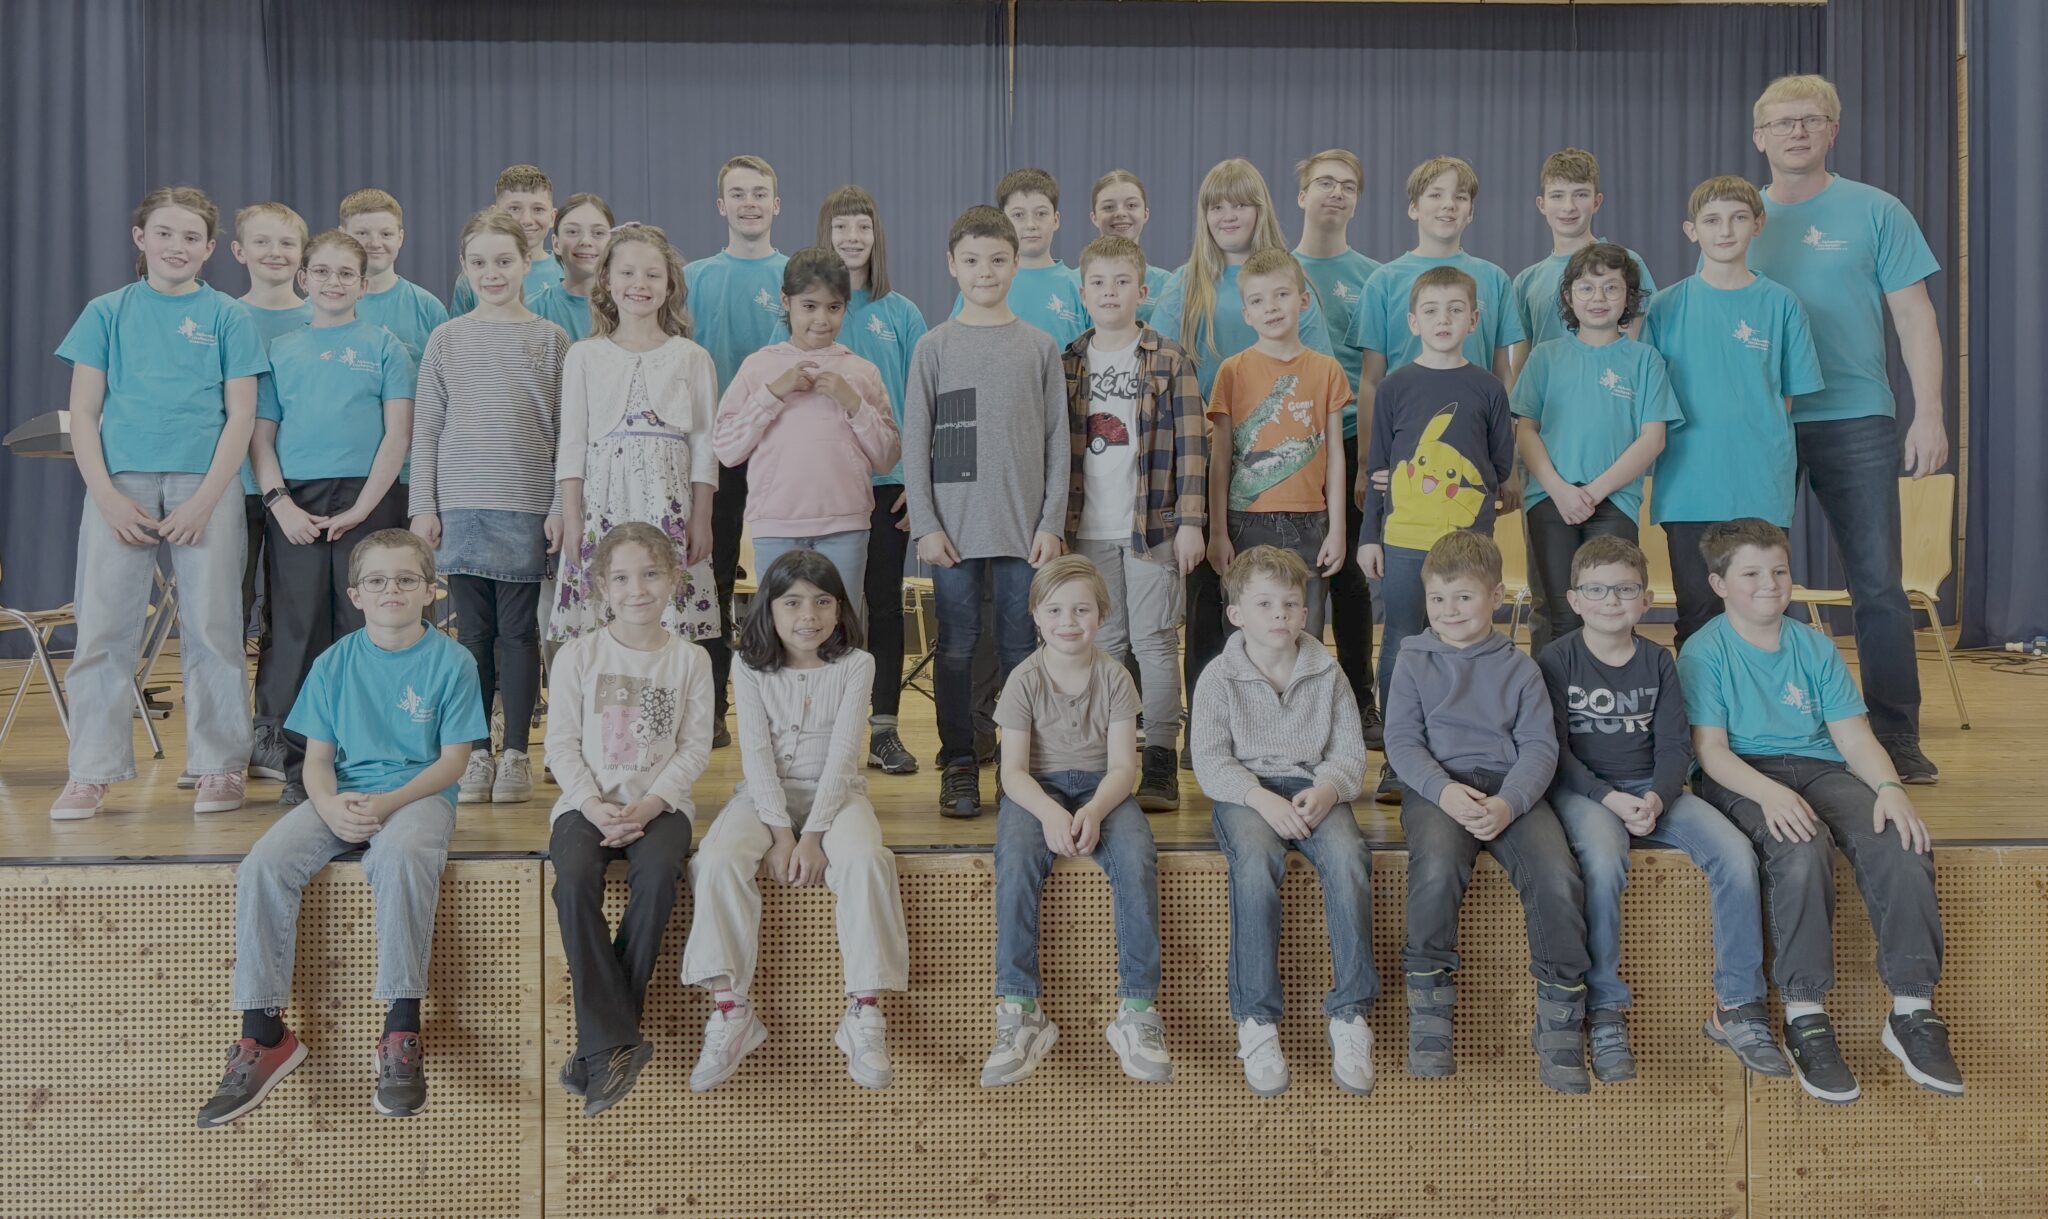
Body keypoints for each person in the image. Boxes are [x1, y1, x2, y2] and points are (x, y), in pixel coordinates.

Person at [195, 529, 483, 1127]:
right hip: (344, 793)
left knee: (400, 857)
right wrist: (327, 806)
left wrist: (389, 803)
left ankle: (400, 1028)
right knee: (264, 864)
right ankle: (263, 1032)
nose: (391, 589)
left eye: (406, 579)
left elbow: (453, 762)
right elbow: (318, 761)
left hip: (419, 793)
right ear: (356, 595)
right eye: (376, 580)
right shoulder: (334, 662)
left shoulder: (454, 662)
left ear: (430, 590)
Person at [1681, 518, 1962, 1104]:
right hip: (1742, 773)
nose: (1769, 583)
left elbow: (1853, 736)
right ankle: (1804, 1013)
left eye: (1779, 571)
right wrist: (1768, 792)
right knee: (1801, 849)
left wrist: (1889, 787)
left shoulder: (1812, 645)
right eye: (1751, 574)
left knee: (1901, 837)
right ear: (1719, 584)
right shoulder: (1704, 651)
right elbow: (1710, 751)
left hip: (1819, 767)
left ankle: (1911, 1008)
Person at [1746, 73, 1949, 784]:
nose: (1797, 131)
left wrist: (1929, 412)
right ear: (1760, 136)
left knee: (1879, 587)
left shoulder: (1877, 210)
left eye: (1812, 119)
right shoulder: (1740, 219)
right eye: (1784, 121)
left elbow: (1915, 317)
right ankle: (1759, 731)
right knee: (1749, 582)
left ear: (1833, 131)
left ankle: (1896, 737)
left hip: (1857, 417)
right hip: (1765, 423)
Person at [49, 186, 267, 820]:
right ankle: (90, 771)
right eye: (165, 233)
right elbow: (83, 413)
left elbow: (241, 416)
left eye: (191, 237)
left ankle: (219, 764)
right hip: (122, 485)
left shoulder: (228, 316)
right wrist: (107, 497)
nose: (178, 246)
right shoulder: (106, 312)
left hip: (206, 484)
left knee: (215, 628)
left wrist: (206, 499)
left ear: (210, 248)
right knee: (103, 628)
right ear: (140, 238)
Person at [1537, 535, 1788, 1084]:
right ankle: (1605, 1010)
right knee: (1603, 860)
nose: (1611, 600)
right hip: (1586, 793)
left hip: (1653, 790)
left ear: (1647, 600)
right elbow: (1553, 751)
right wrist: (1609, 798)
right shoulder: (1555, 660)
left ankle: (1738, 1003)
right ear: (1574, 600)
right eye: (1596, 590)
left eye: (1625, 589)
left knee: (1736, 854)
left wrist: (1656, 796)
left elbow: (1676, 746)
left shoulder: (1658, 661)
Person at [680, 550, 910, 1091]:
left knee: (866, 859)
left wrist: (813, 836)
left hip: (837, 795)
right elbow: (756, 755)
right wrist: (781, 834)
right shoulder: (748, 666)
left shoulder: (857, 664)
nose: (809, 615)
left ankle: (864, 1010)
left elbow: (842, 757)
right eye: (793, 602)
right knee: (716, 858)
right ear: (769, 608)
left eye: (823, 601)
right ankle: (732, 1010)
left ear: (840, 608)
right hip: (764, 796)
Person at [1382, 531, 1590, 1095]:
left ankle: (1559, 1015)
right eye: (1438, 598)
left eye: (1464, 597)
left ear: (1496, 595)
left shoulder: (1521, 669)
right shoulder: (1412, 660)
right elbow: (1401, 741)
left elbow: (1540, 748)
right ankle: (1429, 1006)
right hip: (1438, 790)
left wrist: (1508, 803)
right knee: (1435, 868)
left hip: (1509, 790)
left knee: (1557, 874)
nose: (1449, 610)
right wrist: (1443, 791)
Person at [1149, 158, 1338, 767]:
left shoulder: (1292, 279)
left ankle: (1289, 734)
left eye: (1241, 204)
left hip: (1284, 474)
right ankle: (1206, 734)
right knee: (1211, 603)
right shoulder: (1184, 285)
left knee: (1283, 607)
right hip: (1206, 463)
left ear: (1262, 210)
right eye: (1217, 206)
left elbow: (1318, 385)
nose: (1228, 215)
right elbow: (1155, 370)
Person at [903, 206, 1068, 819]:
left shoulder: (1039, 347)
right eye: (972, 261)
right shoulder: (934, 346)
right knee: (956, 647)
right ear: (952, 265)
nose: (985, 271)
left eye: (998, 260)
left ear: (1016, 263)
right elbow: (916, 441)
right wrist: (926, 525)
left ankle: (1019, 768)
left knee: (1023, 646)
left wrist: (1051, 522)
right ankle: (960, 761)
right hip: (953, 534)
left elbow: (1058, 442)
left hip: (1025, 531)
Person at [982, 555, 1170, 1087]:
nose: (1069, 621)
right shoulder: (1023, 679)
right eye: (1055, 610)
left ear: (1101, 615)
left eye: (1082, 610)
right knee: (1015, 859)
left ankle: (1137, 1009)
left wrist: (1092, 811)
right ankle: (1019, 1008)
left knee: (1136, 857)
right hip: (1036, 789)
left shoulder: (1114, 677)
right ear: (1036, 616)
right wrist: (1049, 812)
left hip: (1102, 788)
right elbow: (1012, 772)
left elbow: (1124, 769)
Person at [1191, 545, 1373, 1097]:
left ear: (1306, 611)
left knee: (1349, 859)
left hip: (1315, 788)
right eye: (1265, 604)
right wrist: (1259, 799)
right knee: (1254, 864)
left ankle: (1350, 1014)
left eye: (1291, 604)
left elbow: (1350, 754)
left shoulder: (1328, 671)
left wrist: (1329, 789)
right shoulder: (1218, 677)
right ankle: (1257, 1020)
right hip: (1246, 794)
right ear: (1236, 614)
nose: (1280, 615)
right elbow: (1210, 762)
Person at [545, 522, 713, 1117]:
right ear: (600, 587)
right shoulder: (578, 655)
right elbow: (560, 744)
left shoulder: (690, 659)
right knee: (573, 881)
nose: (636, 589)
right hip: (585, 804)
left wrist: (650, 804)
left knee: (660, 874)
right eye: (621, 578)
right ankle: (616, 1040)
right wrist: (593, 805)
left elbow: (694, 748)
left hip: (661, 805)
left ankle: (601, 1044)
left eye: (650, 574)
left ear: (674, 580)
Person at [409, 209, 571, 805]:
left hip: (525, 506)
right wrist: (422, 506)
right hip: (460, 507)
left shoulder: (551, 340)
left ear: (528, 263)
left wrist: (559, 506)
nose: (492, 272)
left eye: (504, 261)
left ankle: (518, 754)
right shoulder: (446, 339)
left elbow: (565, 434)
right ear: (464, 267)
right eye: (479, 262)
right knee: (472, 634)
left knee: (519, 634)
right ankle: (476, 752)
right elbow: (427, 429)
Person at [250, 230, 415, 807]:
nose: (333, 282)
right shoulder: (281, 351)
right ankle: (302, 768)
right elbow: (261, 437)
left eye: (346, 273)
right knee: (299, 629)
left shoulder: (387, 347)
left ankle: (367, 759)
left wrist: (363, 508)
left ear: (363, 285)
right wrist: (281, 504)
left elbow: (397, 434)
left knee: (363, 627)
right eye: (322, 271)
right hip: (295, 501)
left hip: (369, 499)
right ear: (304, 278)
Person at [1642, 176, 1823, 649]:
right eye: (1712, 220)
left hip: (1759, 485)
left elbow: (1785, 398)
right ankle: (1702, 702)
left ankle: (1757, 700)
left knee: (1760, 614)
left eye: (1738, 218)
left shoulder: (1782, 305)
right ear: (1691, 230)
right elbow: (1649, 400)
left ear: (1758, 224)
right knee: (1697, 615)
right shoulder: (1664, 308)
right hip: (1688, 488)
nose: (1725, 231)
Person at [1357, 267, 1516, 802]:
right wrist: (1370, 536)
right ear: (1413, 322)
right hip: (1403, 539)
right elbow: (1379, 469)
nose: (1443, 319)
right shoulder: (1394, 387)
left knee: (1466, 639)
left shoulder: (1488, 388)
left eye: (1454, 309)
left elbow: (1500, 464)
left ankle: (1463, 752)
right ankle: (1398, 760)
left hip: (1467, 544)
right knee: (1402, 639)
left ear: (1474, 319)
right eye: (1431, 310)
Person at [1062, 233, 1206, 810]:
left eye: (1122, 282)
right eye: (1098, 283)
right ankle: (1112, 753)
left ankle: (1161, 758)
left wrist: (1191, 521)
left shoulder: (1169, 359)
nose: (1110, 292)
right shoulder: (1069, 362)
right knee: (1107, 642)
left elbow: (1193, 445)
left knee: (1154, 641)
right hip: (1087, 527)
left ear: (1142, 291)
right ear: (1083, 294)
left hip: (1153, 526)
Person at [807, 186, 930, 776]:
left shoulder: (901, 313)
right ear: (824, 234)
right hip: (824, 481)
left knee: (883, 604)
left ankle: (883, 730)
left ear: (876, 235)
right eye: (841, 227)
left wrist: (918, 480)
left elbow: (924, 402)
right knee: (823, 606)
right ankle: (822, 732)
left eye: (862, 226)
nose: (852, 238)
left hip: (889, 481)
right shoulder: (811, 310)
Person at [553, 224, 722, 646]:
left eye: (652, 275)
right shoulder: (584, 356)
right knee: (605, 613)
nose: (639, 285)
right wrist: (572, 518)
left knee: (667, 612)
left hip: (669, 506)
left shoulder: (692, 358)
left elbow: (704, 445)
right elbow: (572, 445)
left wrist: (701, 518)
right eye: (627, 273)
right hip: (602, 506)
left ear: (670, 285)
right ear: (607, 280)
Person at [713, 247, 900, 624]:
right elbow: (727, 448)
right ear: (786, 301)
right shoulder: (759, 367)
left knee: (840, 632)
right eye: (809, 306)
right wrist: (772, 394)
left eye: (834, 307)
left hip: (846, 528)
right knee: (780, 634)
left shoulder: (861, 372)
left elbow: (887, 457)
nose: (821, 319)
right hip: (776, 528)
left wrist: (854, 403)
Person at [1511, 241, 1680, 655]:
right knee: (1560, 614)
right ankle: (1554, 697)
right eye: (1586, 288)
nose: (1598, 298)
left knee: (1609, 612)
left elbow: (1653, 438)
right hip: (1550, 500)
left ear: (1629, 297)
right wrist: (1561, 490)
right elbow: (1526, 431)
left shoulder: (1645, 360)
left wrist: (1594, 491)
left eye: (1611, 288)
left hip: (1615, 502)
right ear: (1569, 297)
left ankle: (1606, 690)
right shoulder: (1545, 357)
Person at [686, 155, 791, 749]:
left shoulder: (795, 275)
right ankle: (713, 709)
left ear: (776, 204)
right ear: (720, 205)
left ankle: (779, 706)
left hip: (780, 450)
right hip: (712, 452)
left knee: (782, 579)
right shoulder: (693, 277)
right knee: (712, 579)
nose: (749, 203)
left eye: (759, 193)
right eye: (737, 193)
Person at [1205, 249, 1349, 646]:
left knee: (1305, 635)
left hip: (1310, 522)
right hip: (1245, 522)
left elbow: (1335, 456)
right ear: (1246, 314)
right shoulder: (1231, 372)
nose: (1270, 307)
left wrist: (1337, 529)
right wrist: (1218, 532)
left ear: (1303, 301)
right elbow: (1220, 460)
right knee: (1244, 636)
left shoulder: (1327, 370)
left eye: (1281, 295)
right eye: (1257, 300)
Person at [1292, 148, 1383, 742]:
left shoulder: (1374, 276)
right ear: (1302, 196)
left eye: (1348, 185)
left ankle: (1358, 699)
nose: (1336, 193)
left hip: (1350, 438)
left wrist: (1368, 459)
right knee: (1294, 580)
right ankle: (1293, 703)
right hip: (1291, 444)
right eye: (1324, 183)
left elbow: (1378, 372)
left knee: (1349, 577)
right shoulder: (1279, 269)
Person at [231, 202, 315, 790]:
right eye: (262, 242)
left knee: (288, 615)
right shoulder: (223, 315)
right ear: (239, 251)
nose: (275, 254)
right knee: (228, 614)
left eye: (286, 243)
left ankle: (274, 731)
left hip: (299, 493)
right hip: (232, 488)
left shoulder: (321, 316)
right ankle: (221, 740)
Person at [1350, 156, 1525, 423]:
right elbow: (1371, 380)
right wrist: (1367, 450)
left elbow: (1502, 374)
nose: (1449, 205)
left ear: (1471, 213)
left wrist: (1507, 443)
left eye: (1460, 197)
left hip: (1476, 432)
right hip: (1405, 431)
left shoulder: (1495, 279)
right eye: (1435, 195)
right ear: (1414, 208)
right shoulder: (1383, 281)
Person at [1510, 148, 1657, 369]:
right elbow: (1522, 362)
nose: (1568, 207)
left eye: (1580, 194)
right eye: (1557, 195)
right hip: (1548, 390)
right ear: (1542, 204)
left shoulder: (1626, 263)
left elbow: (1640, 342)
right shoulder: (1526, 281)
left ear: (1596, 202)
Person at [951, 167, 1091, 348]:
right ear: (1003, 222)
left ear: (1056, 220)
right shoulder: (983, 286)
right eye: (1018, 215)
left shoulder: (1080, 286)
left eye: (1041, 214)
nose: (1031, 224)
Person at [342, 187, 449, 367]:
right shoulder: (319, 306)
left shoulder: (429, 309)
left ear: (400, 238)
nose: (375, 243)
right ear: (343, 235)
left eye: (386, 234)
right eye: (362, 233)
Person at [448, 163, 561, 316]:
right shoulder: (473, 278)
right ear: (495, 214)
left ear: (553, 218)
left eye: (538, 209)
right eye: (514, 209)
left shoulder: (568, 273)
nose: (526, 220)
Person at [1087, 169, 1175, 325]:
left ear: (1145, 214)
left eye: (1131, 205)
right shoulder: (1073, 283)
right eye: (1109, 207)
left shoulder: (1167, 285)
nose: (1120, 213)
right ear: (1094, 217)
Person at [529, 192, 614, 342]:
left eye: (598, 233)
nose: (585, 241)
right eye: (573, 232)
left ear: (612, 243)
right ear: (556, 244)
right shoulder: (532, 309)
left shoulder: (628, 308)